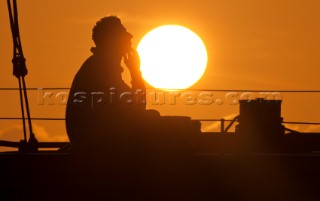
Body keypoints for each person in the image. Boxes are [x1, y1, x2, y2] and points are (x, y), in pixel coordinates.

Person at [65, 16, 155, 153]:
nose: (130, 36)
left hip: (92, 140)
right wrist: (135, 72)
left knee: (152, 118)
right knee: (152, 119)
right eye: (123, 34)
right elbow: (138, 107)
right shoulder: (102, 68)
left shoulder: (99, 64)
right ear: (113, 41)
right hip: (96, 145)